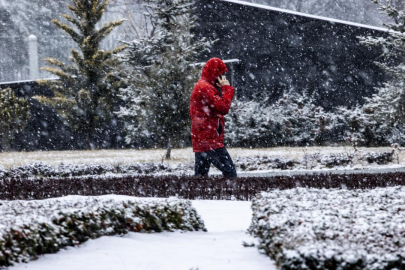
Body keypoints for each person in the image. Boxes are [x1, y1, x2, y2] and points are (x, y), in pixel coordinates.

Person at [189, 57, 237, 177]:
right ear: (215, 73)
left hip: (201, 139)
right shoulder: (206, 88)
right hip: (209, 140)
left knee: (200, 178)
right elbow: (223, 107)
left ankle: (197, 195)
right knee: (230, 173)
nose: (223, 78)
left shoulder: (202, 86)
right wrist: (226, 88)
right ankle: (232, 194)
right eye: (221, 74)